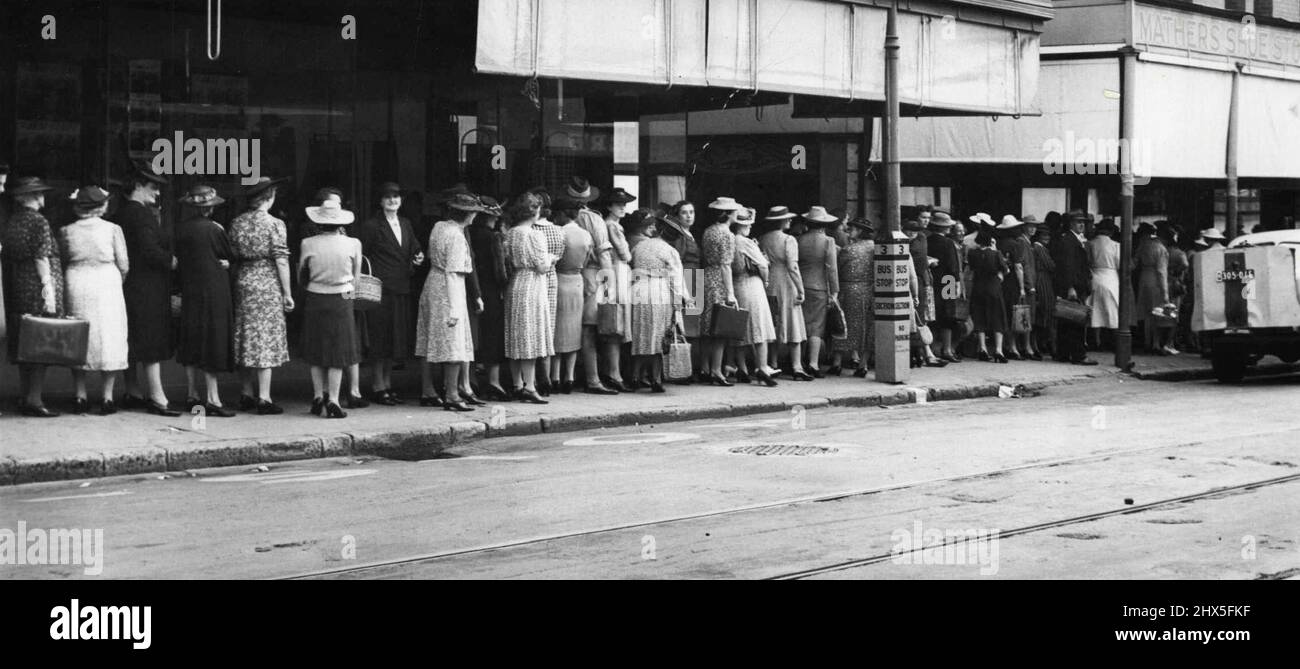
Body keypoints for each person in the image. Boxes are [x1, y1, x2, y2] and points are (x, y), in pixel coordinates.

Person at [113, 164, 180, 416]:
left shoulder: (120, 213)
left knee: (131, 338)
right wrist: (170, 260)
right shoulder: (141, 215)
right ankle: (157, 396)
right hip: (148, 286)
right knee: (152, 340)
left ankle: (133, 390)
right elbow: (148, 249)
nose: (157, 193)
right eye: (152, 187)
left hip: (128, 284)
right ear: (138, 187)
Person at [60, 186, 129, 415]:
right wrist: (119, 279)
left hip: (77, 280)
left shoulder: (66, 231)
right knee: (109, 335)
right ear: (101, 206)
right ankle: (107, 397)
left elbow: (62, 258)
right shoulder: (113, 229)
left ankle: (80, 395)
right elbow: (124, 264)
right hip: (106, 280)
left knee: (79, 336)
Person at [229, 177, 293, 415]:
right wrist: (287, 293)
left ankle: (246, 392)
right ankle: (264, 397)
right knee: (265, 338)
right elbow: (281, 259)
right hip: (267, 282)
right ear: (270, 197)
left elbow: (233, 252)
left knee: (246, 335)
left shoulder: (237, 223)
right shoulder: (275, 224)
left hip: (244, 279)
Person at [356, 182, 423, 405]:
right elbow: (361, 255)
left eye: (396, 196)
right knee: (379, 339)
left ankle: (387, 384)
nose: (393, 200)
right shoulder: (372, 226)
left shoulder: (406, 223)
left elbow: (414, 247)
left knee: (394, 340)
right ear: (380, 201)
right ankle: (377, 386)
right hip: (380, 289)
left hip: (401, 287)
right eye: (388, 197)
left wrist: (418, 256)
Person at [2, 177, 64, 416]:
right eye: (38, 194)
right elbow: (42, 257)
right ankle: (35, 399)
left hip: (19, 284)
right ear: (30, 197)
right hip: (37, 285)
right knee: (41, 341)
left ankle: (25, 395)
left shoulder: (13, 221)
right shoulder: (39, 221)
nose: (42, 198)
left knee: (26, 342)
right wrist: (47, 289)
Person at [414, 192, 480, 411]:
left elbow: (433, 257)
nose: (475, 217)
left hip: (432, 281)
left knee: (428, 338)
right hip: (449, 286)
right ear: (467, 214)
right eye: (473, 213)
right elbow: (452, 272)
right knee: (453, 340)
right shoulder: (457, 236)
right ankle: (452, 395)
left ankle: (427, 389)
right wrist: (454, 307)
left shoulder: (439, 226)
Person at [175, 185, 236, 416]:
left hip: (191, 290)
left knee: (191, 341)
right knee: (213, 341)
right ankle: (213, 399)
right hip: (214, 291)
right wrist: (228, 265)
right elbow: (228, 257)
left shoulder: (181, 230)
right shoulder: (216, 229)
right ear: (210, 208)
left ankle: (192, 395)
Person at [298, 198, 362, 418]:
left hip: (316, 296)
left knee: (316, 349)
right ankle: (333, 399)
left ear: (318, 222)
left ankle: (318, 396)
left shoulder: (307, 243)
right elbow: (357, 278)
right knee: (339, 350)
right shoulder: (353, 243)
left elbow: (301, 275)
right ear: (341, 222)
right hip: (342, 297)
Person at [502, 192, 557, 403]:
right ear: (534, 211)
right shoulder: (535, 235)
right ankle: (530, 386)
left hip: (515, 283)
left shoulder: (511, 233)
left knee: (516, 334)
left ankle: (517, 383)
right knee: (530, 336)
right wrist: (552, 259)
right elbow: (542, 266)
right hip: (533, 284)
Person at [567, 177, 617, 395]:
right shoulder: (594, 219)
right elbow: (605, 255)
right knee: (590, 330)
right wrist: (609, 289)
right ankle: (593, 378)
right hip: (593, 275)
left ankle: (570, 376)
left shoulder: (565, 218)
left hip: (570, 275)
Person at [628, 210, 685, 392]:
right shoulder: (670, 251)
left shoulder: (639, 247)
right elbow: (676, 280)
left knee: (640, 333)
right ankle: (656, 378)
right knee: (660, 335)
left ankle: (635, 376)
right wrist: (678, 304)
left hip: (638, 291)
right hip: (659, 291)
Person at [758, 206, 810, 380]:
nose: (790, 221)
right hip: (787, 282)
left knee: (773, 322)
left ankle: (773, 363)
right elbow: (793, 266)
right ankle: (797, 366)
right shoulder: (789, 240)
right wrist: (801, 289)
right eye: (787, 219)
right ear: (781, 221)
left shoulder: (763, 239)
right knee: (793, 322)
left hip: (770, 282)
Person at [729, 207, 779, 386]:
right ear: (743, 225)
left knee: (740, 328)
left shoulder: (730, 240)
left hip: (735, 285)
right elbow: (763, 265)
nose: (750, 227)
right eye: (748, 224)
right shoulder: (746, 242)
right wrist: (765, 281)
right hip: (752, 285)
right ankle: (762, 367)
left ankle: (742, 367)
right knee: (759, 326)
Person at [469, 196, 510, 400]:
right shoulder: (494, 237)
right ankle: (493, 382)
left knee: (474, 334)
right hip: (491, 290)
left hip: (472, 288)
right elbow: (500, 271)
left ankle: (470, 381)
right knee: (492, 335)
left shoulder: (470, 233)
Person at [551, 196, 592, 394]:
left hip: (560, 280)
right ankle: (570, 376)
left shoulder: (559, 233)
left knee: (558, 331)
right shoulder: (585, 235)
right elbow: (589, 257)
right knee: (574, 330)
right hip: (577, 281)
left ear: (561, 214)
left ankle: (555, 376)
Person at [700, 197, 743, 386]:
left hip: (707, 276)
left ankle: (705, 367)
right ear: (729, 214)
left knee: (708, 325)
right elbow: (726, 265)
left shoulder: (708, 230)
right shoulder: (727, 234)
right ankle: (717, 370)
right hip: (719, 279)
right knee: (720, 327)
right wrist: (731, 293)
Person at [599, 187, 637, 390]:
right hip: (617, 272)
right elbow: (626, 254)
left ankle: (613, 372)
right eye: (618, 204)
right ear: (609, 206)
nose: (622, 207)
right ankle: (614, 374)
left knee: (615, 324)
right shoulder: (612, 226)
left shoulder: (611, 225)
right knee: (616, 323)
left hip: (614, 273)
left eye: (624, 204)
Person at [661, 201, 701, 382]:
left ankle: (691, 367)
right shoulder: (679, 237)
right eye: (684, 213)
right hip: (686, 277)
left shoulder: (689, 234)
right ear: (677, 216)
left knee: (694, 322)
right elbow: (677, 262)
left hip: (695, 278)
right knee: (684, 322)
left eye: (691, 212)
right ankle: (682, 368)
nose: (689, 216)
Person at [797, 206, 840, 376]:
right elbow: (832, 269)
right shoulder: (828, 241)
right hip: (819, 287)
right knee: (816, 327)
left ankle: (799, 362)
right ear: (823, 224)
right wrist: (834, 291)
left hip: (800, 285)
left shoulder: (799, 240)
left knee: (801, 325)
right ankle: (813, 364)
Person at [530, 188, 565, 395]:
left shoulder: (528, 230)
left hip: (531, 279)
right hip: (551, 278)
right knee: (547, 327)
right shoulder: (558, 231)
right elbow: (559, 256)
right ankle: (547, 377)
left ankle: (532, 378)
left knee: (531, 327)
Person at [831, 217, 876, 377]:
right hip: (870, 290)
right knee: (867, 327)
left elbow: (838, 269)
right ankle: (862, 364)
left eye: (852, 229)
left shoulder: (848, 250)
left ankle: (837, 363)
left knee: (842, 324)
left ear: (860, 231)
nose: (849, 231)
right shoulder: (875, 248)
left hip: (849, 289)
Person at [1052, 210, 1098, 365]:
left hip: (1077, 284)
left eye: (1083, 222)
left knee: (1067, 318)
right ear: (1071, 223)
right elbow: (1068, 266)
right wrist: (1070, 287)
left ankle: (1063, 353)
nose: (1082, 225)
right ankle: (1079, 355)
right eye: (1078, 222)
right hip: (1074, 285)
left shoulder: (1074, 240)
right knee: (1076, 319)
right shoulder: (1069, 241)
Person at [996, 215, 1037, 360]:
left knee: (1007, 314)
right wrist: (1022, 287)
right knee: (1018, 314)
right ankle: (1015, 347)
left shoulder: (999, 243)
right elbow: (1019, 267)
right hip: (1013, 282)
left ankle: (1010, 345)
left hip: (1002, 282)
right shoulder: (1016, 244)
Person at [927, 212, 964, 362]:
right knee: (948, 314)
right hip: (947, 280)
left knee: (932, 313)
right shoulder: (948, 243)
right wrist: (957, 283)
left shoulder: (927, 240)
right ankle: (947, 349)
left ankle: (933, 348)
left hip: (932, 280)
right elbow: (953, 266)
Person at [968, 228, 1009, 363]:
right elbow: (1006, 269)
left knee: (979, 317)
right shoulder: (996, 253)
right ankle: (998, 350)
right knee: (998, 317)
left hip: (978, 287)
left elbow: (971, 269)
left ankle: (983, 348)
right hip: (994, 288)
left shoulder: (972, 253)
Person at [1135, 222, 1172, 354]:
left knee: (1145, 313)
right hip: (1155, 280)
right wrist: (1165, 292)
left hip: (1144, 277)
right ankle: (1155, 343)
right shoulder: (1161, 249)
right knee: (1156, 312)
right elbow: (1162, 271)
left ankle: (1147, 341)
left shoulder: (1143, 245)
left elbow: (1135, 262)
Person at [1085, 218, 1121, 348]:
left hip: (1095, 276)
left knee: (1095, 309)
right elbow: (1119, 263)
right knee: (1113, 309)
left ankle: (1096, 340)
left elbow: (1087, 261)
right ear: (1111, 231)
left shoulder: (1090, 244)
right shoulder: (1116, 245)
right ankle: (1115, 340)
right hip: (1110, 277)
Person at [1030, 225, 1057, 359]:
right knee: (1046, 313)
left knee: (1041, 315)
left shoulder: (1037, 247)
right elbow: (1050, 265)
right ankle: (1047, 345)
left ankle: (1038, 344)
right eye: (1044, 235)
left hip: (1041, 279)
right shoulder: (1039, 248)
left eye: (1048, 235)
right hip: (1043, 280)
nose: (1047, 238)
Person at [1161, 223, 1186, 356]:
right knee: (1174, 315)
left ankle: (1163, 342)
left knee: (1163, 314)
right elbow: (1185, 265)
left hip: (1164, 282)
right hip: (1175, 284)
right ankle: (1169, 343)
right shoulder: (1179, 253)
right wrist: (1177, 272)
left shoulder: (1164, 250)